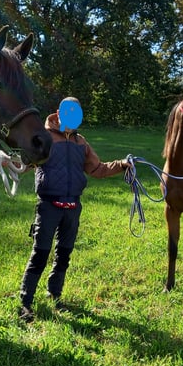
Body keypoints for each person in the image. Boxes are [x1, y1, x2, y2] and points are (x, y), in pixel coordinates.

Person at [18, 97, 129, 322]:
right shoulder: (45, 137)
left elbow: (97, 168)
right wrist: (9, 162)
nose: (72, 117)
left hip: (72, 207)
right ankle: (25, 302)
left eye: (76, 113)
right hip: (49, 206)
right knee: (40, 253)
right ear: (59, 112)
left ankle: (55, 294)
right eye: (68, 112)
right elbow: (25, 163)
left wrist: (123, 165)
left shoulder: (81, 143)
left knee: (64, 253)